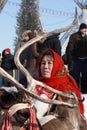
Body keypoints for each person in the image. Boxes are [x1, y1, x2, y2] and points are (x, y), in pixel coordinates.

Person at [34, 48, 85, 119]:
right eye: (43, 63)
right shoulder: (35, 86)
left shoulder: (66, 88)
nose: (45, 67)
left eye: (49, 63)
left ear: (56, 65)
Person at [66, 23, 87, 91]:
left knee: (85, 76)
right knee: (75, 76)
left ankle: (85, 89)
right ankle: (76, 90)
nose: (85, 30)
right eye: (84, 29)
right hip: (76, 59)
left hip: (85, 60)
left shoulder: (86, 37)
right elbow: (69, 49)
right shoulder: (74, 36)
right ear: (81, 29)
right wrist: (70, 61)